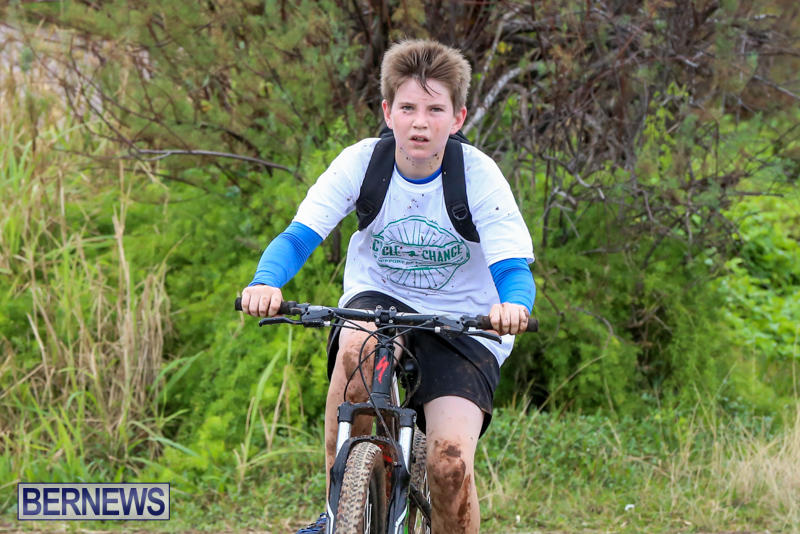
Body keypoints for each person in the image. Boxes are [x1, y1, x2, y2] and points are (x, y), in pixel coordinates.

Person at [240, 39, 535, 534]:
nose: (420, 122)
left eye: (435, 109)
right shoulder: (362, 163)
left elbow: (512, 269)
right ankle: (340, 510)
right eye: (408, 108)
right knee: (355, 350)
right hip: (380, 302)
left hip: (465, 322)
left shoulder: (478, 176)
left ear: (457, 118)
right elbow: (298, 237)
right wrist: (265, 282)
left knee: (449, 467)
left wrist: (514, 306)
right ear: (387, 112)